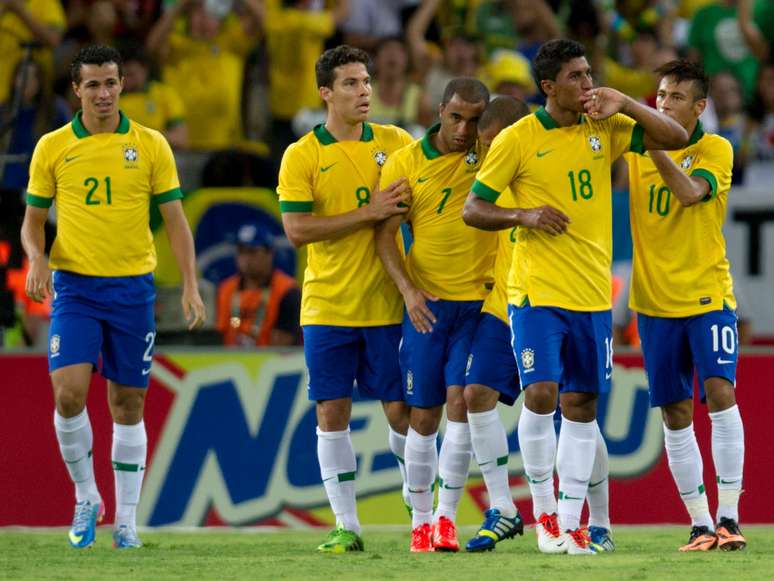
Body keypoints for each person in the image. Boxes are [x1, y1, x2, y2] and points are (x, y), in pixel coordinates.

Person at [462, 38, 688, 555]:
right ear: (549, 87)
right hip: (536, 292)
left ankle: (573, 524)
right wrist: (525, 215)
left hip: (591, 295)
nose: (588, 83)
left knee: (582, 405)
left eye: (589, 73)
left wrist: (628, 103)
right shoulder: (517, 139)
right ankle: (545, 520)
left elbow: (677, 137)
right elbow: (474, 208)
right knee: (541, 393)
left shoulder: (604, 127)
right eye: (577, 76)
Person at [20, 45, 206, 549]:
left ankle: (126, 521)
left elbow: (175, 221)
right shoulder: (52, 147)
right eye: (93, 85)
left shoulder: (150, 145)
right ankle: (86, 497)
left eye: (111, 83)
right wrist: (37, 258)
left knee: (128, 403)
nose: (103, 93)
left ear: (123, 84)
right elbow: (32, 222)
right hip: (76, 288)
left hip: (131, 290)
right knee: (67, 393)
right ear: (76, 90)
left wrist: (189, 282)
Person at [463, 95, 616, 554]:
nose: (490, 154)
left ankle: (599, 520)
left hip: (558, 295)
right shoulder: (491, 176)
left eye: (495, 143)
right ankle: (512, 510)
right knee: (476, 394)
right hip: (506, 303)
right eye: (484, 145)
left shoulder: (540, 161)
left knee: (574, 403)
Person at [277, 45, 413, 553]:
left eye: (366, 81)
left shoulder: (397, 142)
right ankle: (346, 526)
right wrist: (369, 211)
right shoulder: (303, 154)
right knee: (330, 412)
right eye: (352, 83)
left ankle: (417, 497)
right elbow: (296, 230)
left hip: (387, 303)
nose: (364, 91)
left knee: (402, 412)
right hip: (328, 306)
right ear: (326, 94)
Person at [626, 59, 746, 552]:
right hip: (654, 303)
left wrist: (652, 143)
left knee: (720, 391)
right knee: (674, 412)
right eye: (659, 95)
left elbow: (689, 193)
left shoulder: (715, 148)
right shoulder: (631, 144)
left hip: (707, 295)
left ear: (699, 106)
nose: (663, 104)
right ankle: (699, 524)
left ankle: (730, 517)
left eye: (675, 97)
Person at [375, 77, 495, 553]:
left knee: (461, 403)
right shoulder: (406, 162)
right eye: (456, 117)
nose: (465, 129)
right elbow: (385, 235)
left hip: (479, 305)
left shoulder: (490, 155)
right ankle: (420, 521)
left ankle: (445, 519)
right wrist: (407, 291)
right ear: (440, 110)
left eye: (474, 120)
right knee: (422, 417)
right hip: (427, 307)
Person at [215, 223, 300, 347]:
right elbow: (217, 339)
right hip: (230, 362)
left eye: (252, 251)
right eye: (241, 251)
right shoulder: (226, 289)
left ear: (269, 254)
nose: (245, 258)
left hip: (270, 363)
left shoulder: (287, 291)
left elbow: (281, 347)